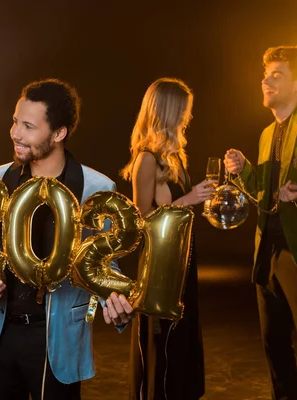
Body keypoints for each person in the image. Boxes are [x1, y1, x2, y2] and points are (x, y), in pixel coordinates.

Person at [0, 78, 132, 400]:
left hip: (58, 341)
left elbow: (102, 265)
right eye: (15, 121)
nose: (16, 133)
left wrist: (115, 307)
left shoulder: (96, 188)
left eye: (28, 126)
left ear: (59, 133)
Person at [224, 46, 297, 400]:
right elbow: (266, 194)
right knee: (274, 347)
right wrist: (244, 170)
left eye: (277, 75)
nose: (266, 80)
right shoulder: (266, 134)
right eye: (266, 75)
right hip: (268, 254)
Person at [120, 78, 213, 399]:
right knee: (162, 340)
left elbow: (175, 210)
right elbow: (140, 221)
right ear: (169, 111)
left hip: (183, 255)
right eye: (184, 111)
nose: (188, 117)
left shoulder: (174, 157)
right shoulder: (146, 158)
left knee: (182, 335)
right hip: (161, 265)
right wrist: (190, 199)